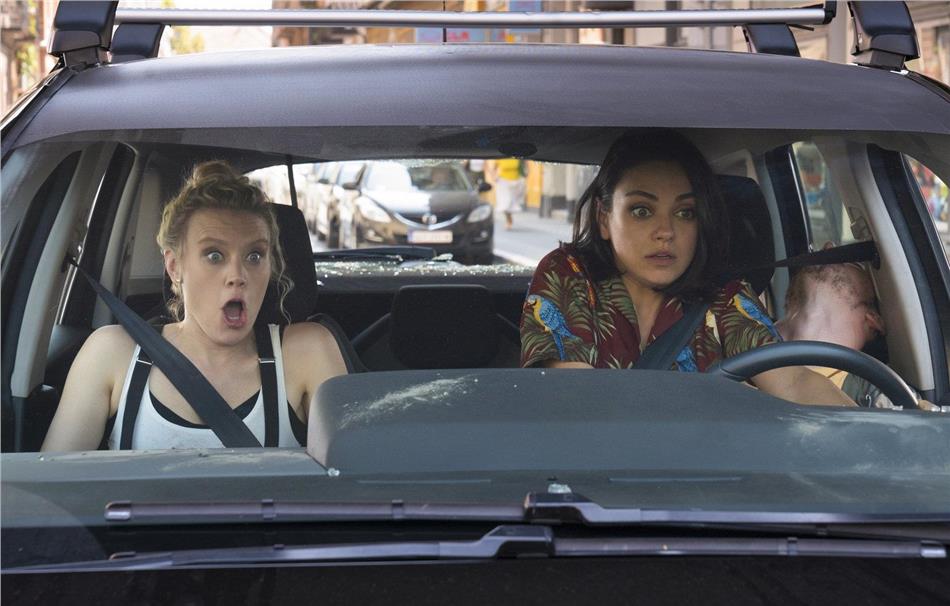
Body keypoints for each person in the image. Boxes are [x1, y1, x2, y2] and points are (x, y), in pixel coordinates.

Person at [520, 131, 855, 407]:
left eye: (685, 213)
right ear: (604, 218)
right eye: (641, 211)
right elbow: (576, 399)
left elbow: (793, 381)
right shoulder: (568, 274)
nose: (666, 231)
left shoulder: (725, 296)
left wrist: (867, 432)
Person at [42, 161, 348, 451]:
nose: (238, 275)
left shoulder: (308, 352)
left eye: (254, 256)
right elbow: (54, 482)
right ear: (175, 267)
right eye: (214, 255)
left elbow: (355, 475)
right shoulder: (112, 354)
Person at [775, 259, 939, 411]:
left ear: (873, 320)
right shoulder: (758, 332)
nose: (829, 245)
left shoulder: (879, 394)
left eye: (854, 264)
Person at [492, 157, 526, 230]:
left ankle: (509, 217)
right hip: (504, 182)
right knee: (506, 203)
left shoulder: (516, 157)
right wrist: (494, 176)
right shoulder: (500, 158)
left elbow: (525, 164)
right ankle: (508, 219)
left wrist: (526, 173)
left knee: (511, 203)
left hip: (516, 182)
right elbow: (494, 168)